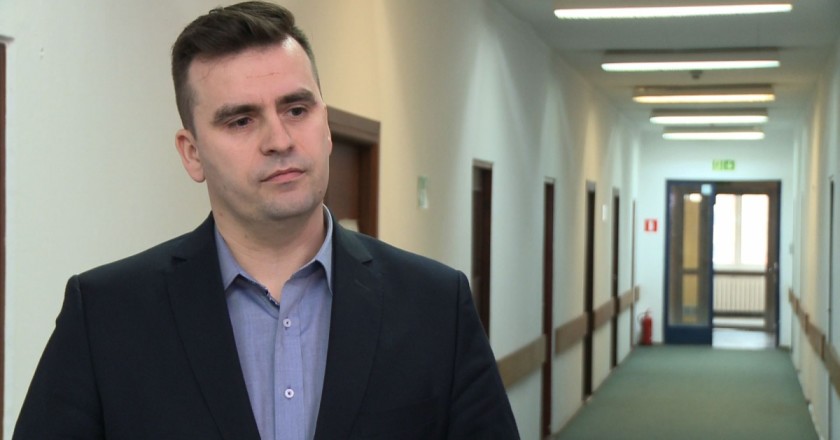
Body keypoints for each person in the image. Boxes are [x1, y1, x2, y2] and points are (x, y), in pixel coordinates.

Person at [13, 2, 519, 439]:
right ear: (192, 153)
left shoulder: (437, 307)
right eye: (241, 120)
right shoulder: (105, 316)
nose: (279, 140)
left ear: (326, 126)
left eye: (296, 109)